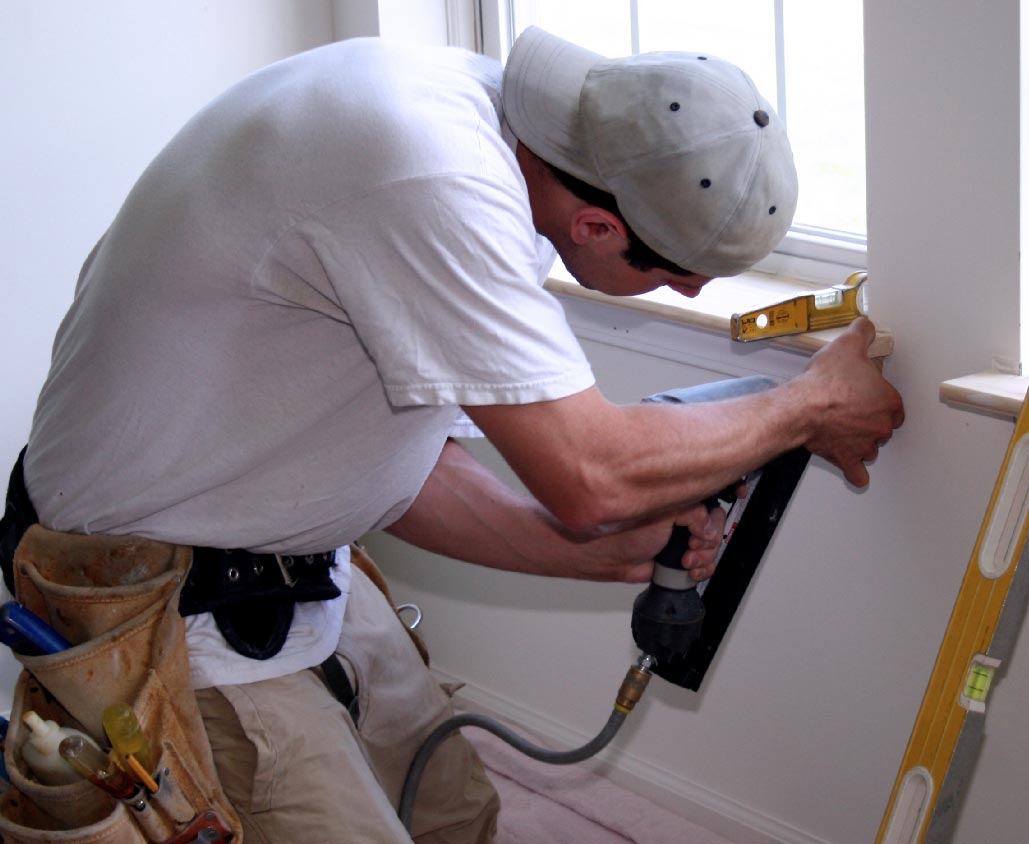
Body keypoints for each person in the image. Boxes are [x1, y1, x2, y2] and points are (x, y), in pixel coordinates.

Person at [2, 26, 903, 844]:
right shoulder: (430, 174)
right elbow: (592, 475)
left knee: (457, 814)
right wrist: (810, 406)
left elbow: (416, 463)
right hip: (151, 592)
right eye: (680, 277)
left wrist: (588, 554)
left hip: (289, 557)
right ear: (598, 225)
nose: (694, 299)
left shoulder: (501, 142)